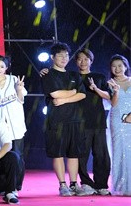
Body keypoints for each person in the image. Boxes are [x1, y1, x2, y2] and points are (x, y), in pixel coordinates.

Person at [40, 42, 92, 196]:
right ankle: (62, 185)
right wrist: (73, 92)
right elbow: (55, 94)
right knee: (58, 153)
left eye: (67, 55)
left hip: (75, 119)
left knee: (73, 153)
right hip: (56, 120)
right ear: (52, 57)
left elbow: (82, 94)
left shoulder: (74, 75)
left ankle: (74, 184)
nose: (64, 58)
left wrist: (65, 100)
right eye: (60, 55)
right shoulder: (47, 74)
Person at [74, 49, 113, 196]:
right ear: (76, 61)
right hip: (79, 121)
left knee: (101, 154)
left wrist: (95, 88)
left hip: (98, 121)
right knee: (82, 155)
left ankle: (101, 184)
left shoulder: (99, 77)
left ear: (91, 60)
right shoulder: (72, 77)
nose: (83, 62)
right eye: (80, 59)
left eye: (86, 59)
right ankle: (86, 184)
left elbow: (109, 96)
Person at [0, 55, 27, 191]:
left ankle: (16, 185)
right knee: (1, 156)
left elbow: (21, 100)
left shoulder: (14, 80)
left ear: (6, 68)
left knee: (18, 155)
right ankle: (2, 186)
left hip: (15, 124)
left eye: (2, 66)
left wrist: (19, 89)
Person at [106, 55, 131, 196]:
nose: (117, 69)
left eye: (120, 65)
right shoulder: (110, 83)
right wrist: (115, 91)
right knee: (119, 150)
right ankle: (120, 186)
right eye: (114, 66)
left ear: (126, 66)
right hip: (117, 119)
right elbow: (113, 103)